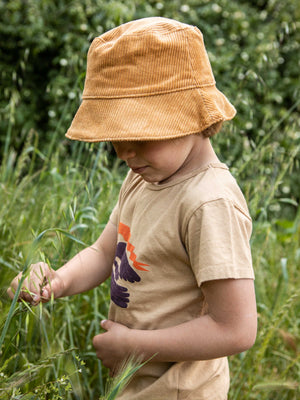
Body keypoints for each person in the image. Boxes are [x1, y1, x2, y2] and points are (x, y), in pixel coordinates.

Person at [7, 17, 257, 400]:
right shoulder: (143, 177)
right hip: (135, 383)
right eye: (115, 138)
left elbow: (236, 329)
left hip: (181, 391)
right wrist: (57, 282)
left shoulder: (209, 203)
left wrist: (134, 346)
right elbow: (105, 252)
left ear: (189, 114)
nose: (124, 153)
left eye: (139, 134)